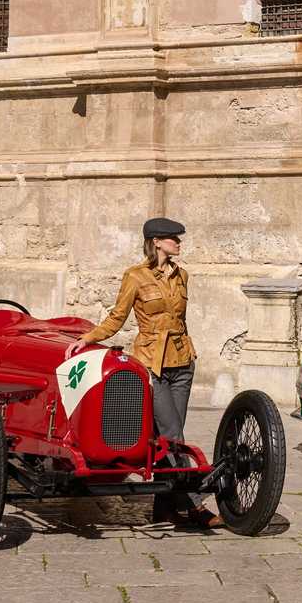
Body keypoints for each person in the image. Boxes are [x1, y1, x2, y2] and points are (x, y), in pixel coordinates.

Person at [66, 216, 216, 528]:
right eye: (174, 237)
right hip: (152, 364)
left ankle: (163, 509)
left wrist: (189, 355)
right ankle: (195, 506)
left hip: (182, 362)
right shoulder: (134, 276)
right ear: (157, 241)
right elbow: (117, 317)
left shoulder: (182, 276)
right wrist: (86, 339)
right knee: (174, 434)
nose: (179, 242)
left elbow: (180, 321)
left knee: (165, 438)